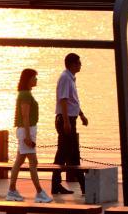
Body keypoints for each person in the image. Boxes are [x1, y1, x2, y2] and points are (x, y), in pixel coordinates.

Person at [5, 68, 52, 203]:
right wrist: (27, 137)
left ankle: (12, 191)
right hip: (27, 131)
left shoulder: (25, 94)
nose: (36, 79)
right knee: (33, 162)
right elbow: (25, 116)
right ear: (28, 79)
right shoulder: (25, 95)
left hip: (27, 130)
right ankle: (39, 192)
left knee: (19, 161)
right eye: (34, 77)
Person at [51, 53, 88, 194]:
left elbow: (73, 101)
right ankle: (82, 186)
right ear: (72, 64)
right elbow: (64, 100)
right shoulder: (65, 78)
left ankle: (59, 185)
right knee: (67, 153)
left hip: (71, 119)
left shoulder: (70, 78)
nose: (80, 65)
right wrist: (66, 122)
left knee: (68, 153)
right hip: (65, 120)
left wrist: (81, 115)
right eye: (78, 63)